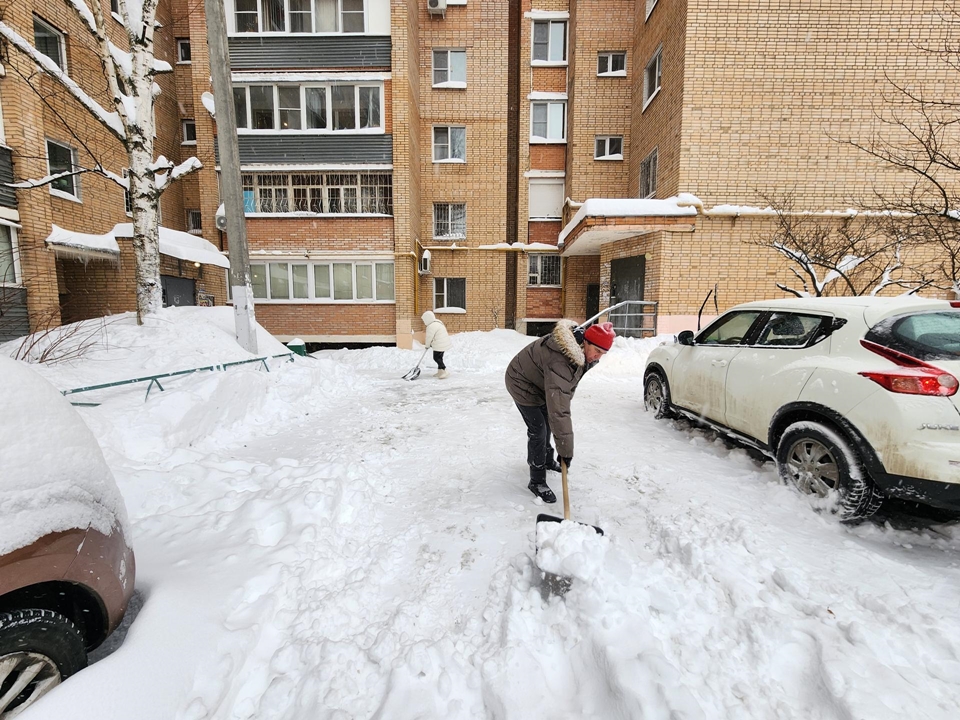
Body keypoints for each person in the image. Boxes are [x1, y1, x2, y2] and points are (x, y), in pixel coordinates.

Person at [504, 320, 616, 502]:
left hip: (540, 381)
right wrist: (565, 451)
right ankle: (537, 481)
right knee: (538, 429)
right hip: (521, 381)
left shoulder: (579, 353)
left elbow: (565, 390)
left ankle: (547, 460)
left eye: (603, 354)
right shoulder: (560, 359)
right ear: (585, 342)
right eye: (597, 351)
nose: (598, 357)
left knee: (549, 419)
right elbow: (560, 410)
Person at [421, 310, 452, 379]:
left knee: (436, 358)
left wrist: (427, 345)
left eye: (424, 320)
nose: (424, 322)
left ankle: (444, 370)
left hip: (439, 344)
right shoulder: (437, 322)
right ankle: (440, 371)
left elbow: (429, 337)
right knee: (439, 358)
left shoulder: (431, 326)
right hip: (442, 343)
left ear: (427, 319)